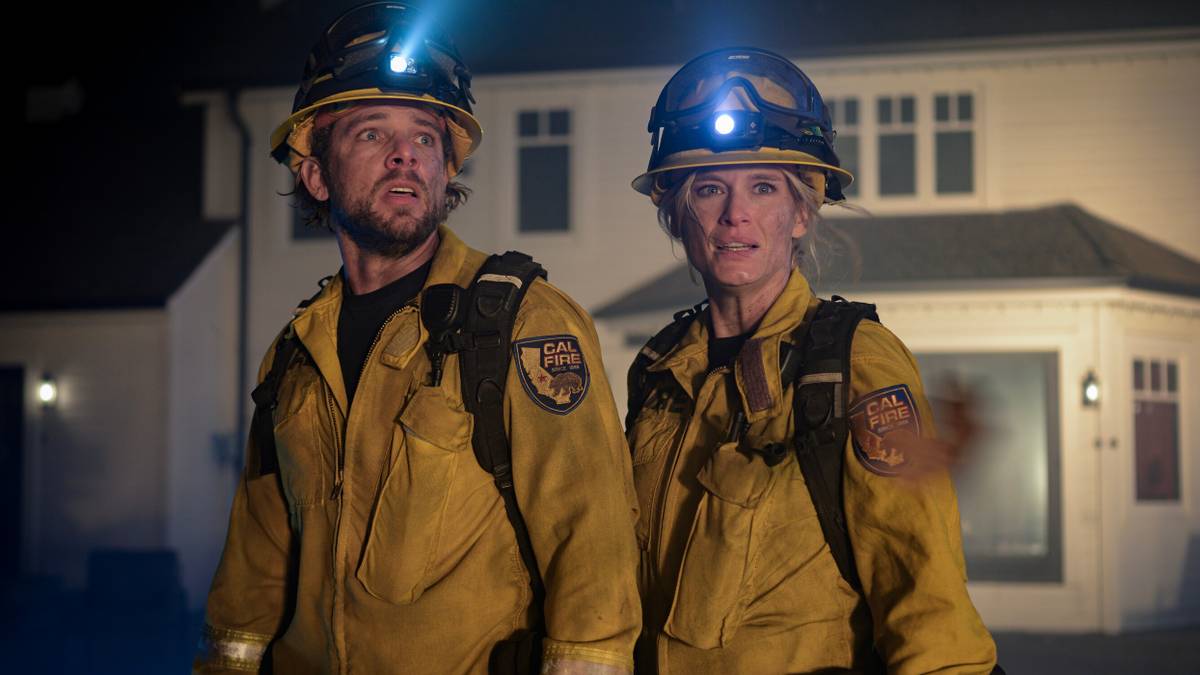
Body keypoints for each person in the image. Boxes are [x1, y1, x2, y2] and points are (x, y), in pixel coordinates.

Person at [193, 3, 639, 673]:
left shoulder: (521, 324)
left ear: (445, 171)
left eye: (426, 138)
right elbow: (252, 576)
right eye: (372, 134)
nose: (406, 153)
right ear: (315, 173)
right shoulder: (294, 356)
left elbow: (593, 552)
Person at [624, 47, 999, 673]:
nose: (735, 213)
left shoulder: (853, 363)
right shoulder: (661, 373)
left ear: (802, 212)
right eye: (710, 188)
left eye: (763, 187)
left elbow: (925, 595)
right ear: (677, 213)